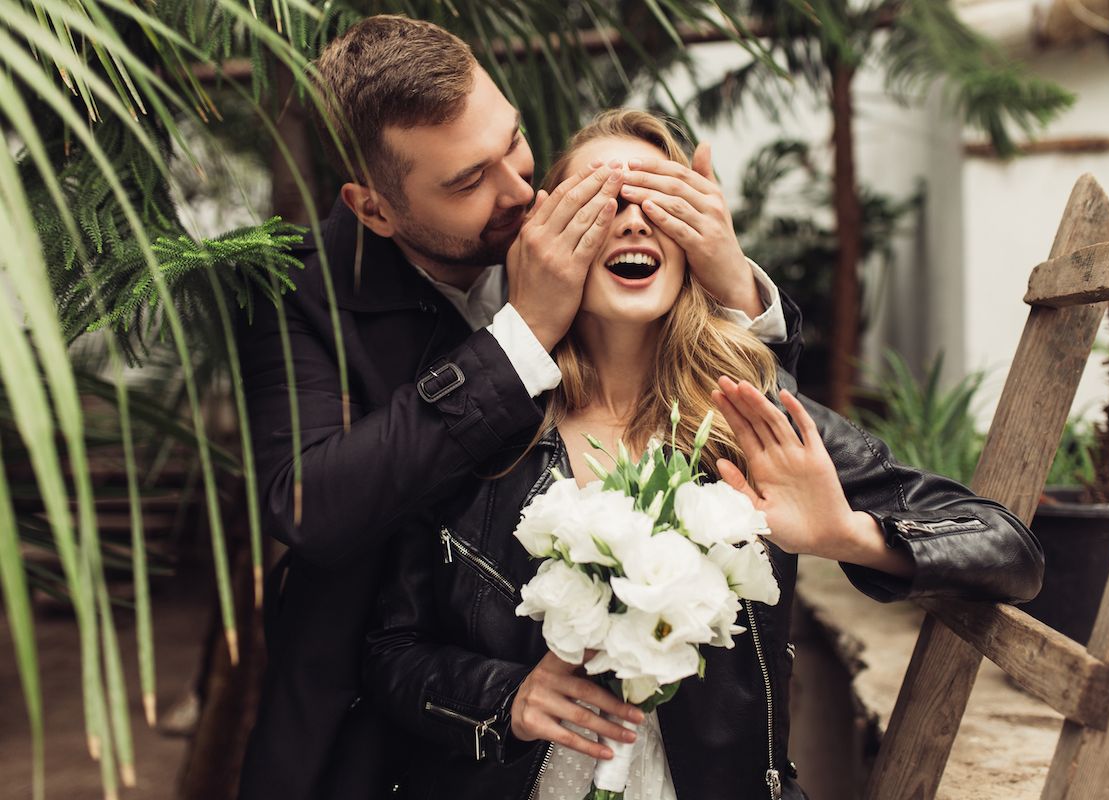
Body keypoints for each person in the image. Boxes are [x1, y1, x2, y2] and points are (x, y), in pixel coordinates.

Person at [362, 110, 1043, 800]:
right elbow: (389, 654)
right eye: (600, 202)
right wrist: (505, 698)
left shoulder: (751, 419)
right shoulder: (482, 432)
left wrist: (848, 535)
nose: (632, 221)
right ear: (547, 240)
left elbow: (1010, 551)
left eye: (659, 201)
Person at [236, 16, 802, 800]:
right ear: (374, 210)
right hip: (369, 731)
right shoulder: (292, 292)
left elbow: (715, 384)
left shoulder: (575, 231)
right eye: (468, 182)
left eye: (514, 143)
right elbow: (308, 505)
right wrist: (522, 337)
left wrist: (739, 288)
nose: (519, 191)